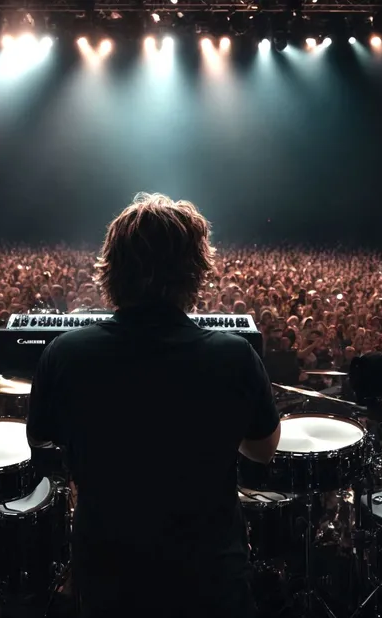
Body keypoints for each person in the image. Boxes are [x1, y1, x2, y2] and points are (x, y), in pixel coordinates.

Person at [27, 193, 280, 618]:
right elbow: (262, 449)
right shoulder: (233, 356)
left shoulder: (64, 354)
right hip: (209, 575)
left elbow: (42, 442)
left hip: (108, 574)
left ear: (111, 270)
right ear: (196, 272)